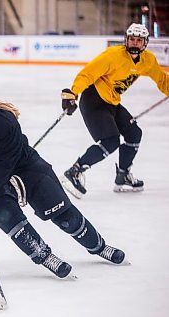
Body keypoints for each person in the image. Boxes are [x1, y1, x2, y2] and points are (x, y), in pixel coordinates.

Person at [0, 75, 126, 279]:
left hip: (25, 167)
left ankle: (98, 246)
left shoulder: (5, 122)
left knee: (64, 215)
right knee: (7, 216)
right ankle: (45, 256)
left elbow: (4, 165)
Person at [60, 23, 169, 198]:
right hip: (94, 101)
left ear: (145, 43)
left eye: (139, 40)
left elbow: (162, 80)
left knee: (134, 134)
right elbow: (87, 73)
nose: (134, 43)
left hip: (112, 102)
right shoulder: (113, 56)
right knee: (110, 141)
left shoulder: (148, 60)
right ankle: (74, 172)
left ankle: (123, 175)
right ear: (126, 40)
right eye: (131, 39)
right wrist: (72, 93)